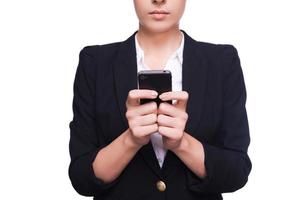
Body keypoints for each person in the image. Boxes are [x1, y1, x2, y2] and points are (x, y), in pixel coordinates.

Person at [68, 0, 252, 199]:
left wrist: (181, 144)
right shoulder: (95, 63)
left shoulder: (222, 62)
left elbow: (236, 172)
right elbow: (81, 178)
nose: (158, 0)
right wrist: (131, 140)